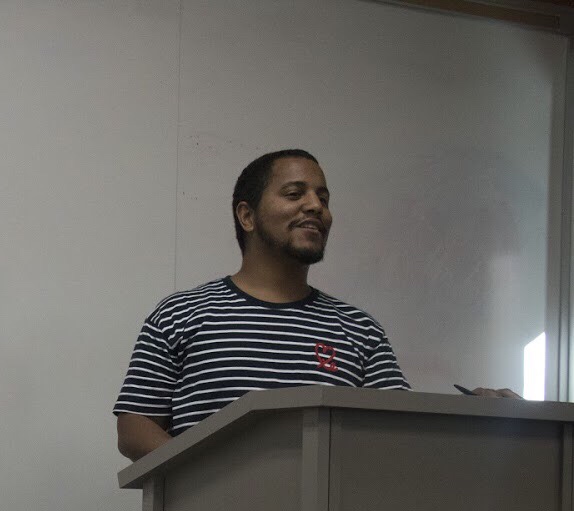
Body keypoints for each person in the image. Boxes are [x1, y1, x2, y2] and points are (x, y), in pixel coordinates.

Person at [113, 148, 516, 461]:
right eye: (295, 194)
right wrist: (209, 474)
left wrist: (477, 417)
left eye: (323, 198)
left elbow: (400, 430)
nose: (315, 206)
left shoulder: (360, 329)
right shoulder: (181, 314)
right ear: (247, 216)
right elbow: (133, 427)